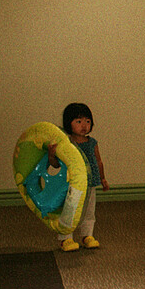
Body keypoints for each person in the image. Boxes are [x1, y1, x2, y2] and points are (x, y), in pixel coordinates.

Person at [49, 102, 109, 251]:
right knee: (70, 210)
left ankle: (87, 235)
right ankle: (65, 238)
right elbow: (56, 164)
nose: (84, 125)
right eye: (79, 121)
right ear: (68, 123)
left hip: (90, 183)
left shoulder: (92, 143)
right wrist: (51, 153)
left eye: (88, 121)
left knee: (89, 211)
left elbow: (98, 161)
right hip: (72, 185)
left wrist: (102, 178)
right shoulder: (66, 143)